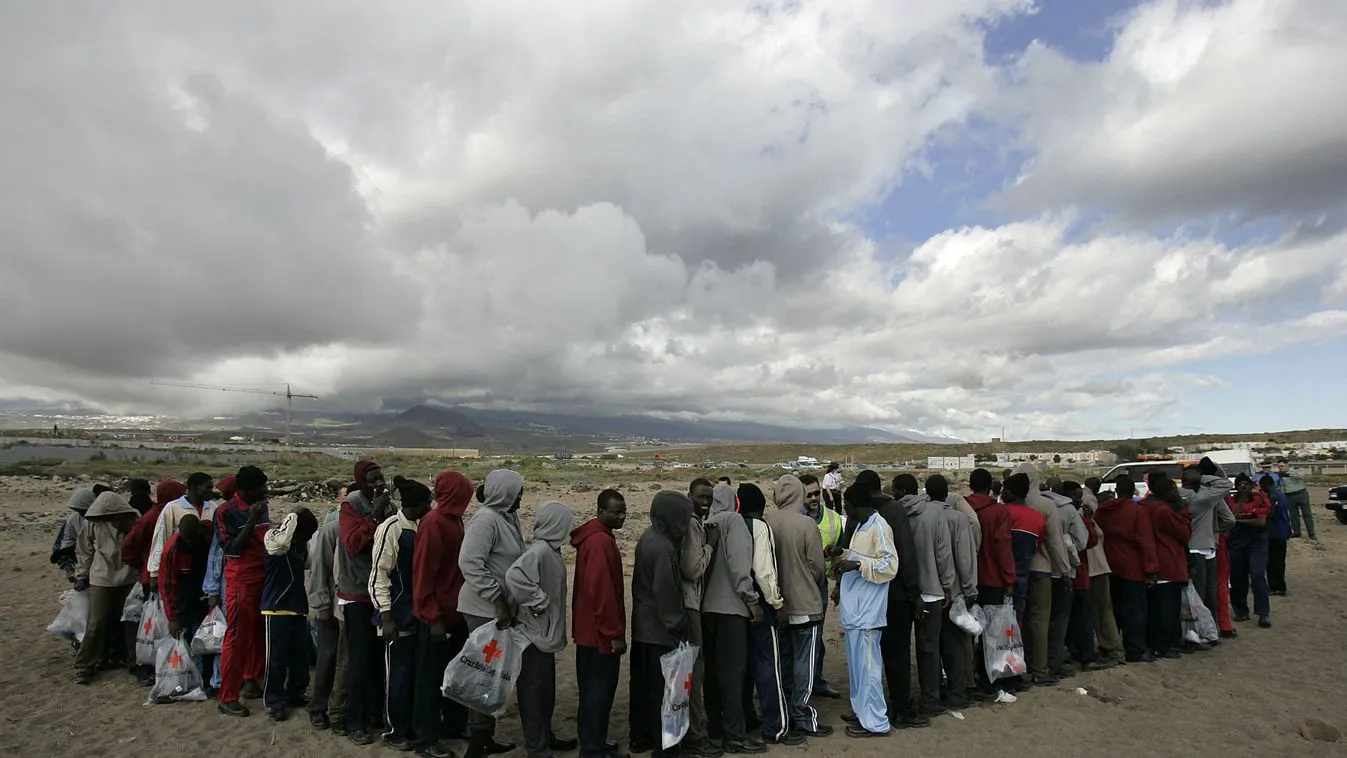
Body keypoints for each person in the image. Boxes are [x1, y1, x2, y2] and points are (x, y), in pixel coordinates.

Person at [458, 470, 527, 758]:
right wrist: (498, 600)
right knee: (484, 674)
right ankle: (477, 743)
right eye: (517, 493)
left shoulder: (506, 517)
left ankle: (485, 737)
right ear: (504, 492)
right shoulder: (486, 520)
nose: (521, 498)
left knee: (494, 674)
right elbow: (470, 563)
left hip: (498, 609)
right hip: (484, 610)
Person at [852, 470, 923, 729]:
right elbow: (906, 553)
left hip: (868, 596)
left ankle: (869, 706)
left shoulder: (858, 515)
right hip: (896, 595)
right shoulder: (893, 511)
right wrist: (914, 593)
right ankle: (901, 707)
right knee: (898, 653)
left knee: (868, 656)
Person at [508, 500, 577, 758]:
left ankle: (546, 737)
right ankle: (536, 747)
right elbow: (515, 577)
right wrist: (538, 601)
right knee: (533, 692)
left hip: (544, 634)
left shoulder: (551, 550)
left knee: (545, 690)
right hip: (533, 635)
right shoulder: (539, 552)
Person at [412, 472, 474, 758]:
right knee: (431, 679)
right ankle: (426, 739)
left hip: (455, 612)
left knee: (455, 676)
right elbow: (424, 574)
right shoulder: (434, 524)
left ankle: (453, 725)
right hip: (437, 617)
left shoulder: (454, 520)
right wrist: (432, 617)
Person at [700, 482, 765, 755]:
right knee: (733, 677)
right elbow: (739, 566)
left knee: (712, 676)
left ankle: (715, 732)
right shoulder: (733, 522)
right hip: (731, 612)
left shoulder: (705, 524)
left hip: (706, 611)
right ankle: (735, 737)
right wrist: (751, 600)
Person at [371, 477, 435, 749]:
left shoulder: (419, 527)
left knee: (412, 675)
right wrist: (386, 617)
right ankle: (393, 731)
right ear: (416, 505)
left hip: (415, 613)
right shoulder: (391, 529)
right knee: (397, 676)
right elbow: (379, 575)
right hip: (396, 616)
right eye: (426, 504)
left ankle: (409, 725)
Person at [765, 475, 830, 739]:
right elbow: (816, 566)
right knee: (806, 661)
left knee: (784, 659)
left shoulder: (767, 522)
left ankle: (783, 710)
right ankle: (802, 713)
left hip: (777, 605)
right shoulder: (806, 524)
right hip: (806, 604)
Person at [629, 491, 693, 758]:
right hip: (659, 631)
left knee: (644, 687)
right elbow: (665, 592)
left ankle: (641, 737)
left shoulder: (650, 537)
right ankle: (664, 747)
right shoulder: (663, 547)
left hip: (644, 626)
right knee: (662, 693)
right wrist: (678, 624)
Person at [338, 460, 397, 744]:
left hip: (381, 594)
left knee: (378, 660)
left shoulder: (386, 505)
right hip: (358, 593)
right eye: (372, 480)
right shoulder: (351, 506)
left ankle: (375, 713)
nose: (377, 484)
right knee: (360, 661)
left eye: (380, 478)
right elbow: (353, 543)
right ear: (361, 481)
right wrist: (374, 515)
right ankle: (355, 722)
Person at [834, 484, 898, 738]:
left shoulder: (880, 527)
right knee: (858, 669)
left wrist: (856, 563)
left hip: (868, 613)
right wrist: (843, 554)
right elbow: (861, 556)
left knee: (869, 670)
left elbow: (889, 566)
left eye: (847, 506)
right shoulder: (862, 525)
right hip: (855, 613)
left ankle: (875, 723)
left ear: (857, 504)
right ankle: (861, 710)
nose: (846, 511)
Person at [572, 490, 628, 758]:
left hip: (590, 632)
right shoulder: (599, 543)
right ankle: (593, 748)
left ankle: (594, 742)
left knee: (594, 692)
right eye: (616, 512)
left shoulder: (597, 539)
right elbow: (602, 591)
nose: (622, 516)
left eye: (623, 511)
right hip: (598, 636)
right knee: (598, 693)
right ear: (600, 511)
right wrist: (614, 633)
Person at [737, 483, 795, 747]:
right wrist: (777, 603)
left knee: (744, 668)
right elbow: (764, 571)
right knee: (769, 666)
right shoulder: (758, 527)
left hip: (736, 608)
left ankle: (746, 717)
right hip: (761, 606)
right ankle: (777, 727)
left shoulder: (731, 525)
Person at [894, 474, 953, 716]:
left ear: (898, 491)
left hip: (900, 593)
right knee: (929, 648)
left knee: (899, 649)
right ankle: (930, 701)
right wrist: (947, 585)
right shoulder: (934, 513)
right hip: (930, 591)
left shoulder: (892, 513)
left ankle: (901, 700)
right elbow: (943, 553)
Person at [1010, 463, 1072, 686]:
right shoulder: (1046, 505)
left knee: (1018, 620)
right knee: (1039, 619)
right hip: (1042, 568)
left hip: (1015, 570)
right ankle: (1040, 668)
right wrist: (1064, 570)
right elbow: (1055, 541)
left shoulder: (1007, 505)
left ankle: (1019, 664)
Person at [217, 465, 272, 716]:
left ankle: (251, 679)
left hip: (263, 576)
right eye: (261, 488)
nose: (266, 491)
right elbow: (232, 549)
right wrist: (251, 519)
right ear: (245, 490)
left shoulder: (262, 506)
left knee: (258, 633)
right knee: (237, 637)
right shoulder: (226, 512)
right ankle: (227, 696)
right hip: (241, 580)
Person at [122, 478, 188, 684]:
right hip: (154, 577)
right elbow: (130, 547)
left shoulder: (159, 513)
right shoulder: (156, 516)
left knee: (160, 623)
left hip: (158, 574)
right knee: (157, 624)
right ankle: (150, 666)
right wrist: (143, 565)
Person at [72, 490, 139, 684]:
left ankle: (126, 658)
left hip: (128, 576)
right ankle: (84, 665)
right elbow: (84, 551)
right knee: (96, 622)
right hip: (102, 577)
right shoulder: (91, 523)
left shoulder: (134, 521)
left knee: (128, 622)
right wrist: (82, 575)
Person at [262, 506, 319, 721]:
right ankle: (274, 700)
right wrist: (294, 516)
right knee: (276, 659)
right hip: (275, 608)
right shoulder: (274, 539)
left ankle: (296, 692)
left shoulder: (300, 546)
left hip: (296, 607)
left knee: (300, 655)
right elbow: (281, 544)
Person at [1093, 476, 1158, 663]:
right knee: (1134, 611)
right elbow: (1145, 542)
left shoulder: (1103, 511)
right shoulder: (1137, 512)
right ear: (1133, 491)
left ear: (1116, 490)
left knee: (1112, 609)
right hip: (1132, 567)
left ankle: (1111, 645)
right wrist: (1151, 569)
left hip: (1109, 564)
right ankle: (1135, 650)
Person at [927, 475, 976, 709]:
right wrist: (970, 588)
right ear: (947, 493)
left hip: (927, 591)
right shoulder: (957, 519)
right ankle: (957, 693)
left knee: (930, 644)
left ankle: (933, 692)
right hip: (954, 591)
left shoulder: (922, 517)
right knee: (954, 644)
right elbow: (965, 558)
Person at [966, 468, 1016, 700]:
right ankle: (988, 684)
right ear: (991, 487)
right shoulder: (998, 512)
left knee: (965, 633)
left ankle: (965, 679)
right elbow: (1002, 547)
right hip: (992, 579)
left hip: (967, 581)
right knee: (992, 635)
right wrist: (1009, 579)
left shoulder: (962, 509)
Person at [307, 487, 350, 736]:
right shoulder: (332, 528)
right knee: (328, 657)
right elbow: (319, 569)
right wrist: (322, 604)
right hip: (332, 607)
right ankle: (317, 707)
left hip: (351, 607)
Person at [1059, 482, 1112, 671]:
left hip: (1060, 573)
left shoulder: (1054, 510)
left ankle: (1070, 652)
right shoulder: (1075, 514)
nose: (1080, 499)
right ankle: (1087, 657)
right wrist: (1089, 520)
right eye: (1076, 495)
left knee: (1066, 617)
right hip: (1079, 574)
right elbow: (1088, 541)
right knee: (1084, 617)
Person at [798, 474, 842, 699]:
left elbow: (840, 555)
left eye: (817, 493)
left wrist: (838, 585)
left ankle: (816, 680)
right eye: (809, 495)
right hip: (795, 586)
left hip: (820, 585)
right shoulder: (794, 518)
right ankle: (796, 683)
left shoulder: (835, 519)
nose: (815, 498)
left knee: (817, 635)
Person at [680, 479, 715, 758]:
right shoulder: (692, 525)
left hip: (690, 603)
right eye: (701, 496)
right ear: (689, 495)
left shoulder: (693, 522)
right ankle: (696, 735)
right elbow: (693, 569)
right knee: (695, 670)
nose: (705, 502)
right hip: (689, 604)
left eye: (709, 498)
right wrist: (710, 547)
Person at [158, 513, 212, 689]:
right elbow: (167, 585)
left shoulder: (208, 536)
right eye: (185, 538)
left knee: (206, 639)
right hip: (185, 600)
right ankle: (195, 679)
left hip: (204, 595)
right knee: (190, 638)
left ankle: (205, 676)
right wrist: (172, 617)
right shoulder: (173, 549)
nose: (188, 542)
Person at [1003, 473, 1044, 687]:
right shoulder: (1036, 518)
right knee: (1014, 626)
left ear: (1009, 492)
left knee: (996, 628)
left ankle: (1002, 673)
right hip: (1022, 577)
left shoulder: (1001, 514)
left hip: (999, 577)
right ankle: (1014, 672)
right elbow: (1038, 547)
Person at [1045, 478, 1088, 679]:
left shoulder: (1038, 505)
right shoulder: (1069, 511)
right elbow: (1082, 541)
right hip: (1064, 572)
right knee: (1059, 620)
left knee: (1040, 620)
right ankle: (1055, 663)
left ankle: (1039, 661)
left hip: (1040, 570)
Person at [1180, 461, 1234, 621]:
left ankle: (1199, 630)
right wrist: (1215, 532)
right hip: (1206, 546)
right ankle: (1212, 627)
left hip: (1189, 547)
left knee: (1196, 592)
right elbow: (1226, 484)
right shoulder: (1206, 496)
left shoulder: (1177, 494)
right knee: (1210, 592)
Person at [1080, 479, 1124, 668]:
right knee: (1101, 610)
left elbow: (1088, 540)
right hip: (1096, 566)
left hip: (1093, 568)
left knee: (1101, 611)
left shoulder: (1083, 517)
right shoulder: (1087, 516)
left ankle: (1113, 649)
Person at [149, 472, 217, 582]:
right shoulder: (173, 507)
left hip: (207, 568)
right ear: (194, 487)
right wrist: (155, 572)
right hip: (180, 569)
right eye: (208, 487)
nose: (211, 491)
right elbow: (160, 539)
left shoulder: (213, 508)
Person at [203, 474, 237, 693]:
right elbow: (217, 554)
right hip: (225, 583)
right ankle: (219, 680)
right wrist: (212, 589)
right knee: (223, 634)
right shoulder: (225, 514)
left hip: (231, 582)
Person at [1228, 474, 1272, 628]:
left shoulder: (1260, 498)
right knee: (1237, 578)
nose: (1243, 487)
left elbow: (1260, 522)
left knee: (1258, 575)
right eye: (1240, 484)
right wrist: (1241, 500)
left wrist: (1238, 521)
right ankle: (1241, 611)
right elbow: (1230, 517)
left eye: (1246, 484)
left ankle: (1263, 614)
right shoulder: (1231, 500)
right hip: (1236, 542)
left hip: (1256, 541)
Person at [51, 486, 110, 583]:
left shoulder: (103, 520)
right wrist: (68, 568)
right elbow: (66, 541)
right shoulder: (73, 520)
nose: (81, 513)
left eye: (83, 510)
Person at [1260, 476, 1291, 597]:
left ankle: (1276, 586)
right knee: (1279, 561)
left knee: (1272, 561)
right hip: (1282, 532)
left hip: (1274, 533)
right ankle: (1279, 586)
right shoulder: (1281, 495)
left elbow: (1270, 514)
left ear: (1265, 486)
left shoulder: (1272, 497)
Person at [1278, 460, 1315, 540]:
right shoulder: (1280, 475)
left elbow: (1300, 477)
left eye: (1282, 466)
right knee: (1293, 515)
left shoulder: (1296, 470)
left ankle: (1311, 533)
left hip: (1301, 493)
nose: (1280, 468)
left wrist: (1288, 474)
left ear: (1287, 465)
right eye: (1279, 466)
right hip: (1289, 495)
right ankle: (1296, 532)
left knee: (1307, 514)